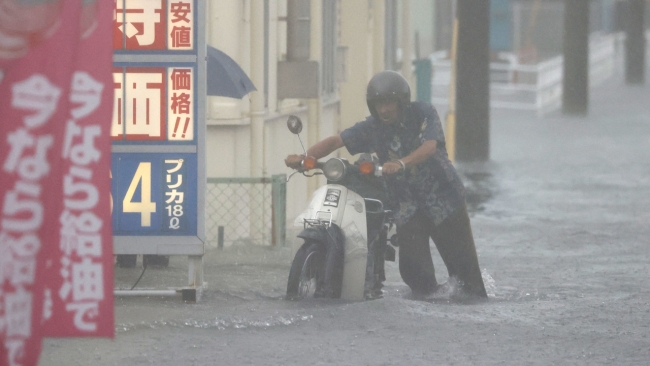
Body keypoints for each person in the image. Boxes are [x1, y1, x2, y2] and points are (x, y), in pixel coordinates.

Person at [285, 70, 487, 299]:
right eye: (378, 104)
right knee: (414, 274)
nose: (384, 109)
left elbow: (430, 146)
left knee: (467, 280)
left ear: (401, 101)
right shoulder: (372, 127)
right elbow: (337, 141)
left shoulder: (423, 113)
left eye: (389, 103)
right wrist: (304, 158)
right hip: (408, 206)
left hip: (444, 201)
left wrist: (401, 163)